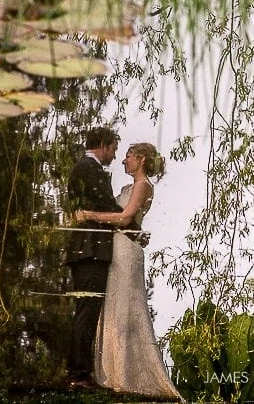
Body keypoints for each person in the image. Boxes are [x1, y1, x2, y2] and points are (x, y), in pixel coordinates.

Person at [74, 142, 183, 401]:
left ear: (141, 160)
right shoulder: (126, 188)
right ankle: (111, 372)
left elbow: (124, 218)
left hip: (126, 253)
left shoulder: (143, 186)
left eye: (129, 157)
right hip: (118, 248)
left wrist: (89, 214)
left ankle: (127, 373)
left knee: (126, 306)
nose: (124, 161)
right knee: (112, 307)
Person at [64, 126, 121, 388]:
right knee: (87, 311)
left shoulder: (85, 168)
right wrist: (132, 223)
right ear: (103, 144)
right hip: (90, 248)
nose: (114, 154)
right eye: (113, 148)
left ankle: (80, 371)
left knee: (86, 311)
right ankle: (79, 374)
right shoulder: (90, 169)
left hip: (85, 249)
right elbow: (108, 205)